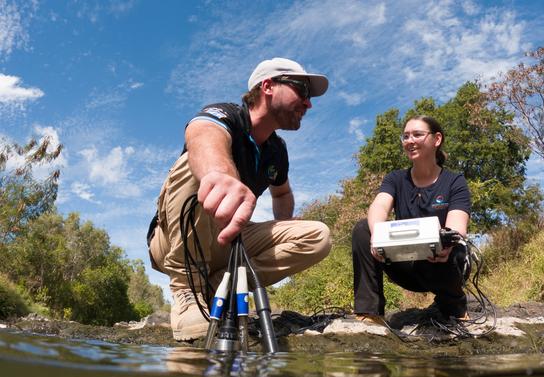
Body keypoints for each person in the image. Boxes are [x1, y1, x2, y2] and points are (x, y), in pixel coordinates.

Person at [148, 58, 332, 340]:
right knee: (191, 165)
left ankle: (219, 286)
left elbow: (281, 192)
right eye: (302, 91)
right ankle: (187, 289)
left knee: (318, 237)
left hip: (228, 240)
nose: (308, 104)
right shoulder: (226, 115)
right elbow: (202, 134)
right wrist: (221, 175)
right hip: (173, 240)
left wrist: (280, 231)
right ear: (268, 86)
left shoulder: (276, 150)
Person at [352, 115, 471, 325]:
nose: (410, 140)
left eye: (417, 134)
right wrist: (376, 236)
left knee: (454, 242)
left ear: (437, 139)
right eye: (405, 136)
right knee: (363, 229)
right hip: (403, 264)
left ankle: (454, 308)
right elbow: (379, 205)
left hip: (440, 264)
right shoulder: (395, 179)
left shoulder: (455, 181)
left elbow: (458, 225)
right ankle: (370, 313)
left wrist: (445, 245)